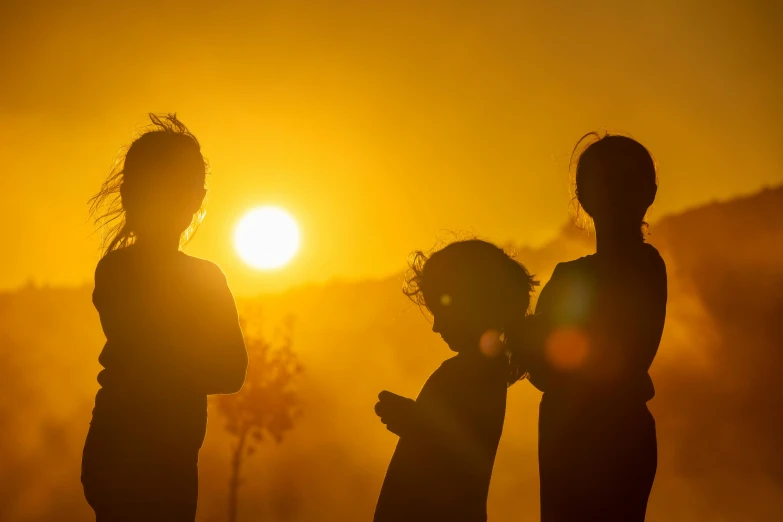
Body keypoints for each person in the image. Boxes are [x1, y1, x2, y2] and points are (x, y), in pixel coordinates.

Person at [81, 114, 248, 522]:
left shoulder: (118, 271)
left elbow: (227, 370)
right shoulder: (191, 278)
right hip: (148, 459)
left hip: (130, 452)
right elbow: (227, 369)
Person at [516, 133, 667, 522]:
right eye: (607, 182)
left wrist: (535, 340)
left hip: (611, 437)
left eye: (624, 182)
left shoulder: (643, 266)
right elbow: (539, 362)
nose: (616, 194)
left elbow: (622, 356)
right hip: (571, 439)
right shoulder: (572, 276)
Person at [374, 239, 537, 522]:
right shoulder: (488, 370)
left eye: (441, 310)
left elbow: (460, 457)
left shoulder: (471, 373)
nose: (436, 326)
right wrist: (417, 424)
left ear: (474, 304)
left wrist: (415, 424)